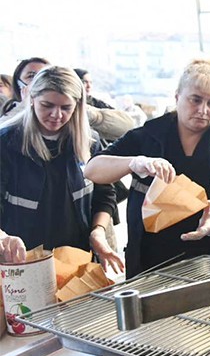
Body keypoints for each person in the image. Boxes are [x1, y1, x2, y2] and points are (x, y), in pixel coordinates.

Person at [84, 58, 210, 278]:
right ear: (177, 96)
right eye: (195, 99)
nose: (203, 110)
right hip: (151, 258)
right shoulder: (146, 137)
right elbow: (92, 170)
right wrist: (134, 162)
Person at [0, 66, 122, 272]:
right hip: (22, 259)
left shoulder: (89, 142)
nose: (56, 115)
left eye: (66, 107)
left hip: (77, 255)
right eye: (47, 105)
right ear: (31, 99)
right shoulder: (7, 143)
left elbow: (105, 193)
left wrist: (98, 232)